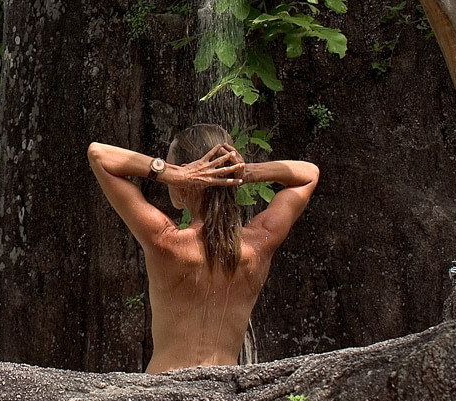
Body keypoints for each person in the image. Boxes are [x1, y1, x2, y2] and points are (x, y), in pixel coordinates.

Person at [87, 124, 319, 373]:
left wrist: (168, 173)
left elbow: (99, 154)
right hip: (224, 392)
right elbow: (309, 174)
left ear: (188, 175)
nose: (171, 178)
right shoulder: (258, 243)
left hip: (160, 392)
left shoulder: (167, 241)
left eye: (174, 165)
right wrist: (240, 172)